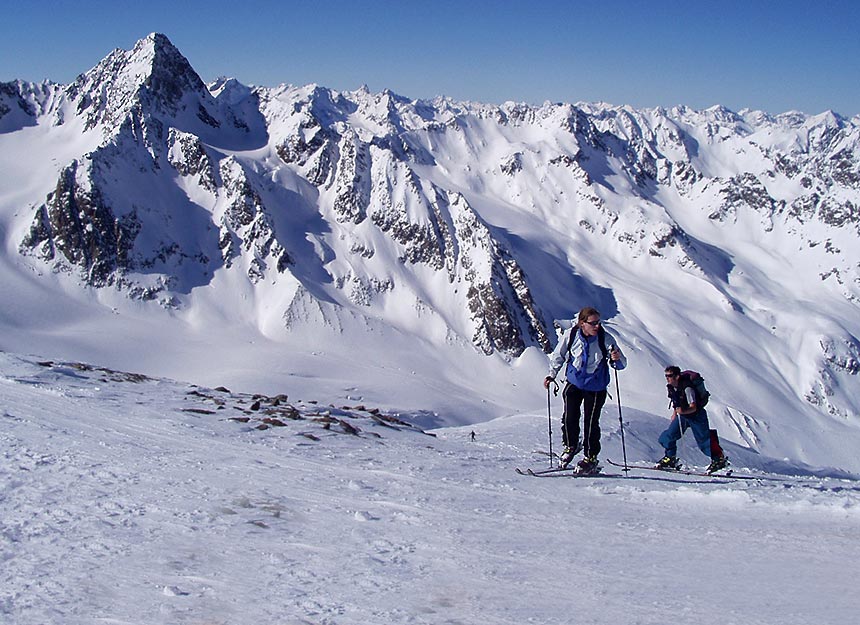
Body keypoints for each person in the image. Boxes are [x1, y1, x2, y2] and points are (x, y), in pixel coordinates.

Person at [544, 307, 627, 472]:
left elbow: (621, 364)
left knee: (591, 423)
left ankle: (591, 457)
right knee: (569, 417)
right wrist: (551, 375)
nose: (597, 326)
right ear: (582, 324)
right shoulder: (571, 335)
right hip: (575, 382)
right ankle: (571, 446)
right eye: (593, 323)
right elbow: (558, 355)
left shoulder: (606, 339)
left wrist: (615, 359)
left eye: (598, 322)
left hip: (596, 387)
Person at [657, 366, 729, 473]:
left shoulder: (687, 388)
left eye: (670, 376)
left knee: (704, 441)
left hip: (696, 416)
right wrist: (675, 413)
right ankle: (670, 458)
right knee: (667, 436)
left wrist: (682, 412)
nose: (667, 378)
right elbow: (676, 402)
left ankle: (719, 459)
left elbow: (693, 407)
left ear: (677, 376)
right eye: (666, 376)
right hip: (683, 416)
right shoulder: (672, 387)